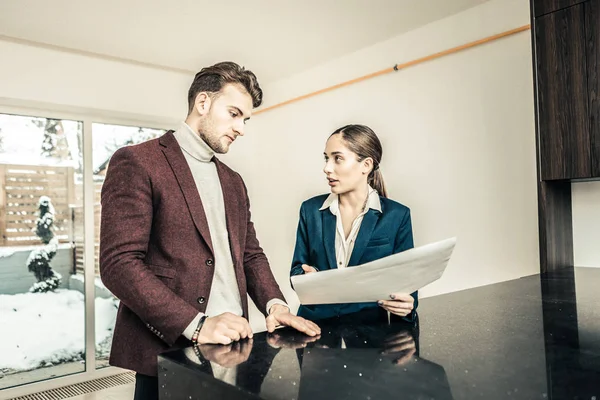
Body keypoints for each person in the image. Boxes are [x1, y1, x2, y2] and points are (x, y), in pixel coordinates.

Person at [99, 61, 320, 400]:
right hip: (170, 353)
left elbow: (250, 253)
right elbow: (120, 264)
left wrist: (276, 306)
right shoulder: (137, 161)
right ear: (203, 103)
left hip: (235, 349)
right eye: (234, 113)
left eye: (245, 119)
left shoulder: (233, 181)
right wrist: (197, 325)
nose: (241, 128)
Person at [290, 124, 418, 322]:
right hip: (315, 331)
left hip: (371, 335)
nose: (327, 168)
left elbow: (408, 282)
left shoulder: (397, 215)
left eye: (337, 158)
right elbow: (297, 271)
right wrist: (309, 278)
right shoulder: (310, 210)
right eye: (326, 158)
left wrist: (409, 303)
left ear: (366, 165)